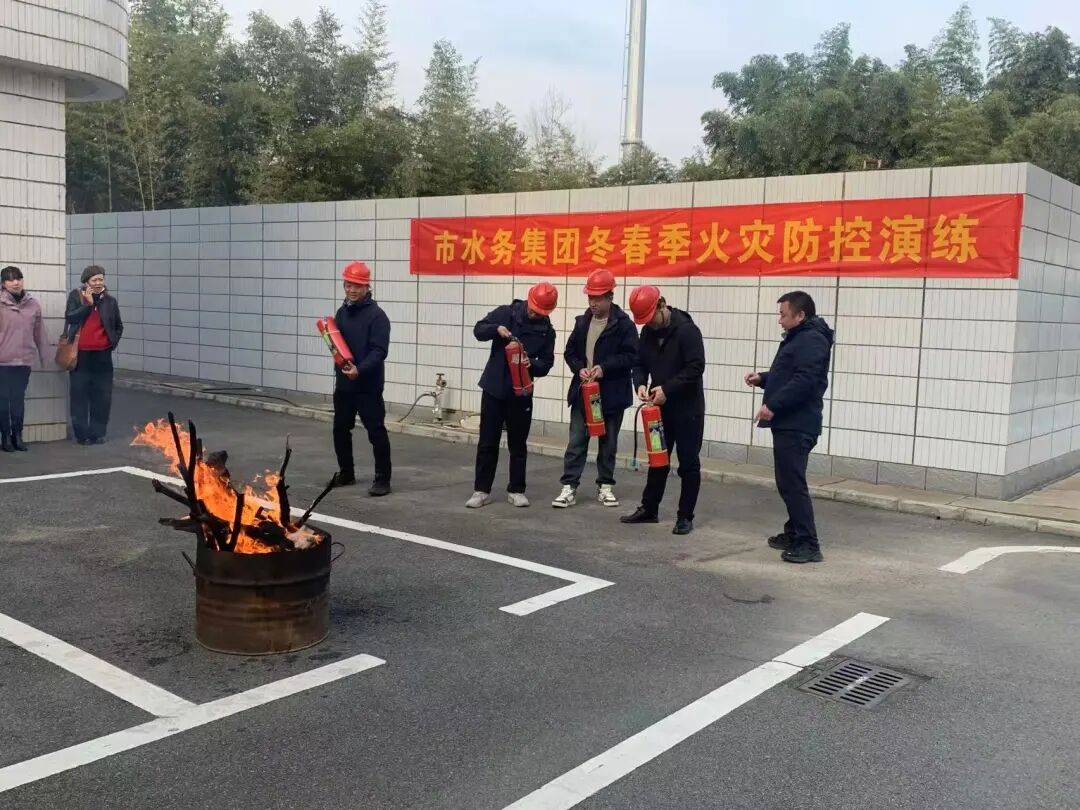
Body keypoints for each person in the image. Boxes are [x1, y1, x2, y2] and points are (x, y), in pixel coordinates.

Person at [745, 291, 834, 564]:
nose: (780, 320)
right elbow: (788, 374)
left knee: (792, 483)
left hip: (797, 423)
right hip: (790, 422)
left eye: (783, 315)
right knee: (787, 482)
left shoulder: (812, 339)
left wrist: (774, 405)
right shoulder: (800, 337)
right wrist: (763, 378)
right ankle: (794, 532)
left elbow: (805, 380)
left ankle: (808, 543)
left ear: (800, 315)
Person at [620, 285, 706, 535]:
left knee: (688, 463)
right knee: (657, 459)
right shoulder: (647, 332)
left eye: (650, 318)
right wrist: (640, 384)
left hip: (687, 409)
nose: (649, 324)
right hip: (659, 409)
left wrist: (667, 389)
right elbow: (639, 363)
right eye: (644, 321)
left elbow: (696, 367)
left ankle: (685, 516)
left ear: (661, 305)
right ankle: (650, 508)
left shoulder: (687, 331)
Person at [552, 269, 638, 509]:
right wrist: (579, 368)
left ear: (610, 297)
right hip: (584, 391)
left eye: (598, 298)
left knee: (608, 443)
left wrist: (604, 368)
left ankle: (605, 486)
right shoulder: (582, 322)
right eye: (590, 297)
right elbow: (570, 352)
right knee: (577, 441)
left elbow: (632, 356)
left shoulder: (624, 325)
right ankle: (569, 486)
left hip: (612, 394)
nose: (593, 303)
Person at [466, 283, 557, 508]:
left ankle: (516, 490)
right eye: (533, 309)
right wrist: (495, 329)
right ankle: (481, 490)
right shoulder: (506, 313)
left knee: (518, 444)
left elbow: (547, 363)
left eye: (540, 312)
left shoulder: (547, 331)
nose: (535, 314)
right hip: (494, 387)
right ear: (529, 300)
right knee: (488, 441)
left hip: (521, 391)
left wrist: (530, 364)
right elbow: (478, 330)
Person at [331, 261, 393, 496]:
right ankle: (346, 472)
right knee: (340, 429)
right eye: (348, 285)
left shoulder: (377, 316)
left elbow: (379, 351)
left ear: (367, 287)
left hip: (368, 385)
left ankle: (383, 479)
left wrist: (361, 369)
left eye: (357, 286)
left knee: (376, 432)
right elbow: (336, 343)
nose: (352, 290)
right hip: (345, 384)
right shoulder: (342, 312)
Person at [66, 265, 123, 445]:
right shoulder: (76, 296)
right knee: (80, 395)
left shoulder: (110, 301)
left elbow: (119, 326)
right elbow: (70, 317)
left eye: (101, 279)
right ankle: (82, 435)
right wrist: (88, 305)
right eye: (94, 280)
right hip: (80, 355)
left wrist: (111, 343)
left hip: (102, 355)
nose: (98, 283)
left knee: (102, 395)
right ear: (86, 282)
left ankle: (98, 433)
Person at [0, 266, 49, 452]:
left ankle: (17, 436)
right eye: (10, 279)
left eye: (18, 278)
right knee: (3, 401)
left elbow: (40, 333)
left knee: (18, 400)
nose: (16, 282)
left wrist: (44, 357)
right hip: (3, 362)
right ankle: (5, 437)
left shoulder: (33, 304)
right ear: (3, 284)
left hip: (23, 361)